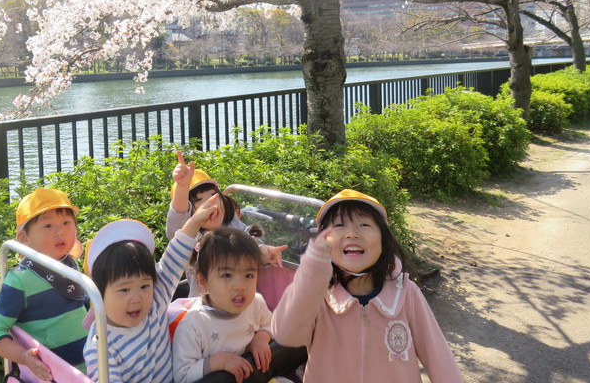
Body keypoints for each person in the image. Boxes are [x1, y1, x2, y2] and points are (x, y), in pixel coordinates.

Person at [271, 189, 464, 383]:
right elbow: (286, 334)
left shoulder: (405, 292)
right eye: (339, 225)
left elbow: (438, 356)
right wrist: (309, 281)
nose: (352, 234)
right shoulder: (316, 296)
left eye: (364, 224)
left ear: (383, 239)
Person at [82, 193, 221, 383]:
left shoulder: (155, 301)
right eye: (124, 289)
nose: (137, 297)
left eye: (145, 286)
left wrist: (195, 221)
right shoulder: (101, 345)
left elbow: (174, 255)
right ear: (99, 293)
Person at [0, 188, 88, 382]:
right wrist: (23, 357)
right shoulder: (20, 281)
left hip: (90, 368)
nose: (61, 231)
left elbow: (83, 304)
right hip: (53, 375)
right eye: (48, 226)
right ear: (24, 239)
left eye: (66, 222)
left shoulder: (70, 264)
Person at [166, 151, 286, 296]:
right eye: (198, 200)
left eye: (213, 195)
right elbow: (177, 221)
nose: (209, 202)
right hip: (207, 310)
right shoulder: (191, 238)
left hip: (244, 304)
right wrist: (182, 186)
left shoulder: (233, 225)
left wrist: (264, 251)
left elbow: (251, 243)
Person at [172, 227, 275, 383]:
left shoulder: (256, 303)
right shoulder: (193, 325)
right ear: (203, 282)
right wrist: (219, 362)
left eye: (248, 275)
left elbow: (271, 324)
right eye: (227, 275)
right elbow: (182, 376)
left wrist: (261, 337)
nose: (240, 286)